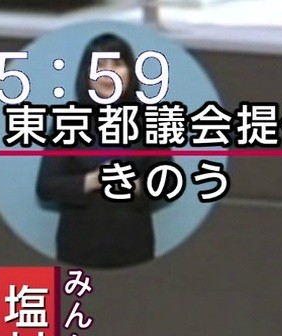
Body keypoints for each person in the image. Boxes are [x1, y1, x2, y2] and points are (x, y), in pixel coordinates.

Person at [35, 32, 176, 270]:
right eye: (100, 65)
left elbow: (168, 183)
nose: (108, 73)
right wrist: (94, 180)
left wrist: (134, 184)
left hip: (134, 246)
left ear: (130, 71)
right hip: (78, 246)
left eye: (117, 64)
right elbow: (46, 187)